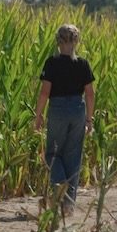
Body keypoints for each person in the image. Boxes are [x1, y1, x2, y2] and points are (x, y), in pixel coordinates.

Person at [34, 24, 95, 218]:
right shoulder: (83, 64)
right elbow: (90, 93)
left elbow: (45, 92)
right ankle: (68, 205)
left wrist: (38, 115)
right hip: (78, 108)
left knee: (52, 154)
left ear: (58, 41)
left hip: (58, 109)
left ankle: (60, 189)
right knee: (73, 157)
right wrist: (89, 118)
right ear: (76, 41)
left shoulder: (51, 63)